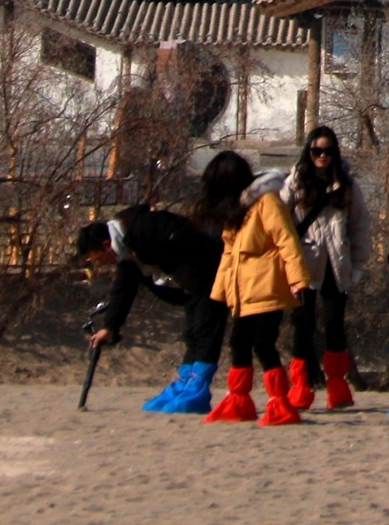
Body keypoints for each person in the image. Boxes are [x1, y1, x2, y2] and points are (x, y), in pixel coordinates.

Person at [76, 200, 226, 414]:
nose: (101, 264)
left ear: (106, 244)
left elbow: (192, 244)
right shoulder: (127, 250)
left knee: (205, 332)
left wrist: (191, 282)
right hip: (194, 286)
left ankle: (197, 390)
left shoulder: (145, 227)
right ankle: (185, 384)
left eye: (99, 259)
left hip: (210, 277)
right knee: (191, 334)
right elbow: (123, 289)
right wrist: (110, 327)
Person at [197, 148, 310, 425]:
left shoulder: (267, 202)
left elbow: (287, 240)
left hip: (268, 288)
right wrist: (219, 292)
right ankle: (239, 400)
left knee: (263, 343)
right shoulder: (238, 209)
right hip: (243, 291)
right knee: (239, 342)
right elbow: (229, 252)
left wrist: (298, 279)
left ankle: (281, 403)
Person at [283, 125, 370, 411]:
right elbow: (279, 218)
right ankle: (301, 385)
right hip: (304, 263)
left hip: (337, 263)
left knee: (334, 326)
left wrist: (358, 265)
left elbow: (359, 226)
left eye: (328, 150)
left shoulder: (346, 182)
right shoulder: (296, 180)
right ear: (309, 151)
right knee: (302, 326)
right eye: (317, 150)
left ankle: (337, 385)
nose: (322, 156)